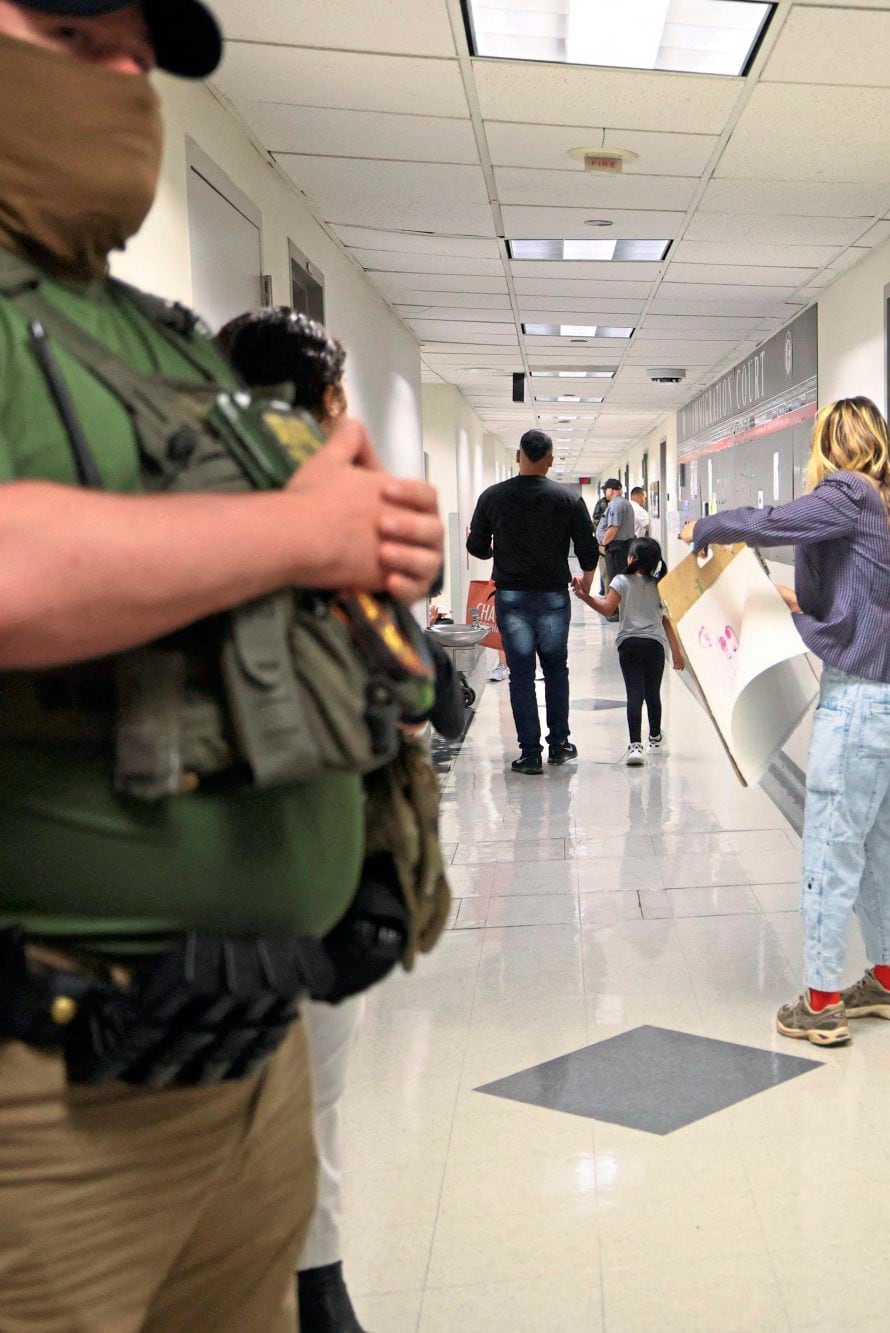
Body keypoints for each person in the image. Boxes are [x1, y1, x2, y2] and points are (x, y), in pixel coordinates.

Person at [0, 1, 448, 1327]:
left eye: (143, 51)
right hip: (51, 1100)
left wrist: (364, 547)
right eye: (77, 29)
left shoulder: (149, 341)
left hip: (241, 1056)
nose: (128, 73)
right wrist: (290, 527)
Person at [212, 306, 377, 1333]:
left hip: (158, 890)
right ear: (322, 406)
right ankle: (315, 1296)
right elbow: (401, 696)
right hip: (294, 870)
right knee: (304, 1109)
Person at [683, 397, 890, 1047]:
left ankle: (822, 1000)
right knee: (878, 844)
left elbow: (772, 521)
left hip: (859, 704)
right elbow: (863, 599)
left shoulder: (849, 494)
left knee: (828, 848)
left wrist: (708, 528)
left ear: (832, 445)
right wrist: (791, 598)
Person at [466, 429, 597, 775]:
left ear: (517, 456)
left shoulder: (493, 497)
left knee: (520, 674)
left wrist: (498, 551)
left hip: (511, 596)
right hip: (553, 595)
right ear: (550, 461)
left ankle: (529, 753)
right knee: (556, 670)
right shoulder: (568, 499)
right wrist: (586, 584)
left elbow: (476, 547)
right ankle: (559, 745)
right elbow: (587, 549)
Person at [574, 535, 675, 766]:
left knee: (634, 694)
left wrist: (585, 597)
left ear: (631, 558)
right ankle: (655, 738)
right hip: (655, 645)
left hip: (629, 645)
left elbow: (608, 609)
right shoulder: (661, 585)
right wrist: (677, 654)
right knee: (653, 694)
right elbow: (667, 621)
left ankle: (635, 746)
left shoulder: (620, 580)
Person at [595, 476, 633, 603]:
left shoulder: (616, 505)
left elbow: (613, 527)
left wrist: (603, 543)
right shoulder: (623, 503)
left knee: (615, 579)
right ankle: (617, 608)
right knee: (618, 578)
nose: (605, 493)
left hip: (616, 548)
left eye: (605, 490)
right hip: (622, 546)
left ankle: (615, 609)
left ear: (610, 490)